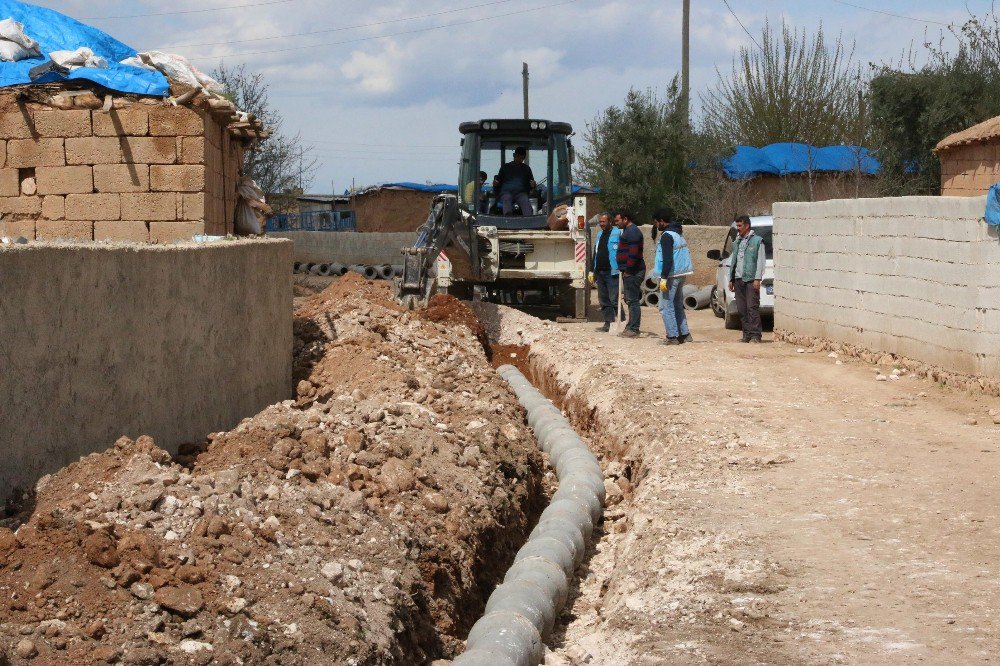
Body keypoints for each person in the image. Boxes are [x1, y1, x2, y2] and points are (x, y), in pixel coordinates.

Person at [652, 208, 693, 345]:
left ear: (662, 222)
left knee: (665, 306)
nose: (656, 225)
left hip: (670, 275)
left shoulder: (666, 236)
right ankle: (684, 334)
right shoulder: (678, 233)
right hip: (681, 274)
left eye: (657, 222)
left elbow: (667, 259)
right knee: (676, 305)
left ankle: (672, 337)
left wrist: (663, 277)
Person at [729, 214, 765, 343]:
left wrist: (757, 278)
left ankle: (756, 335)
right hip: (738, 279)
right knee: (741, 308)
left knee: (752, 307)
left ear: (747, 226)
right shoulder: (737, 242)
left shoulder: (757, 241)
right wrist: (731, 279)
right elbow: (734, 261)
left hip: (751, 279)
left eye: (740, 225)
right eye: (737, 225)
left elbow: (760, 261)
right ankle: (747, 334)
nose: (738, 228)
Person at [588, 212, 621, 332]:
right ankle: (608, 323)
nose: (601, 224)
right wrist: (592, 271)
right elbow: (595, 253)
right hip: (600, 272)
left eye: (603, 222)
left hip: (612, 272)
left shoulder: (618, 233)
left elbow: (622, 252)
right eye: (600, 222)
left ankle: (621, 322)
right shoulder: (600, 235)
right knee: (603, 300)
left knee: (614, 299)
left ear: (610, 222)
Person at [614, 210, 645, 338]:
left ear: (625, 219)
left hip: (633, 272)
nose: (616, 223)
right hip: (629, 272)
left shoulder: (633, 232)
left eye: (618, 220)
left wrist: (628, 270)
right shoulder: (628, 231)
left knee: (633, 300)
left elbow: (633, 254)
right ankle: (630, 326)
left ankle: (634, 329)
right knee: (629, 300)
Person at [494, 146, 536, 216]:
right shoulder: (505, 167)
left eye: (521, 158)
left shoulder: (526, 169)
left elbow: (531, 182)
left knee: (525, 200)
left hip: (521, 193)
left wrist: (533, 185)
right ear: (514, 155)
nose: (519, 159)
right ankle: (508, 219)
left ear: (524, 158)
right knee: (507, 198)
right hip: (506, 192)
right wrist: (495, 183)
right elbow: (498, 180)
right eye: (517, 156)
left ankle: (528, 220)